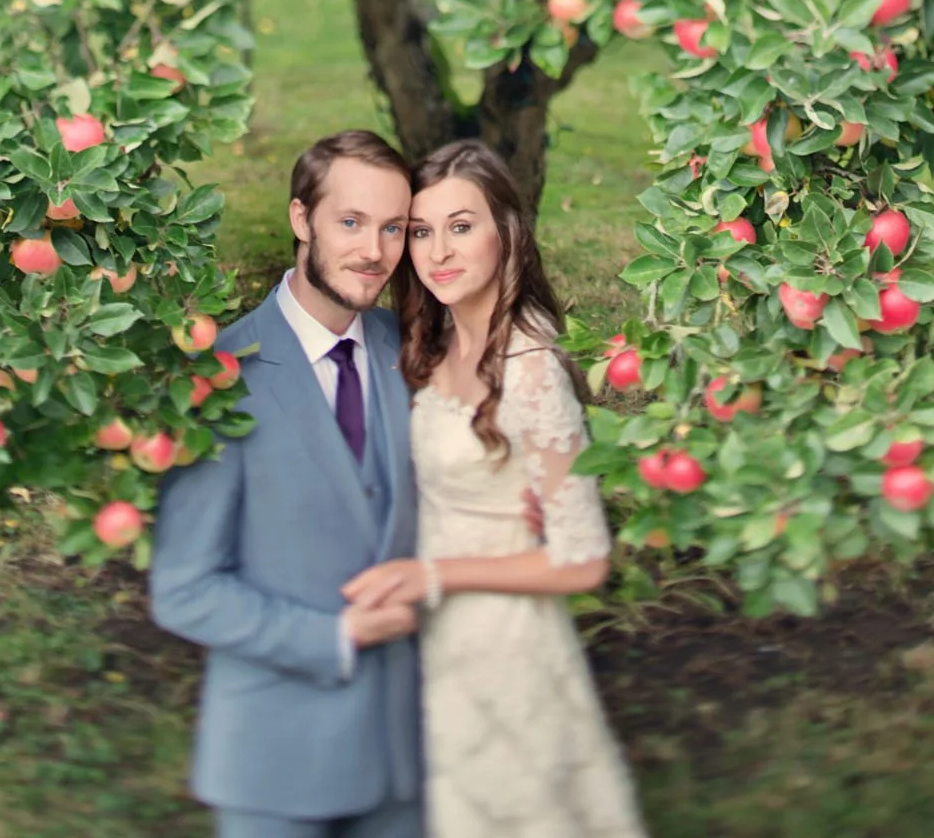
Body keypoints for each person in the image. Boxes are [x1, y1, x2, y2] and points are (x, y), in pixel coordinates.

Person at [344, 137, 649, 838]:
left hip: (501, 639)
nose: (437, 253)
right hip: (427, 631)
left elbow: (583, 560)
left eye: (461, 226)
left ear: (505, 234)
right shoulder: (432, 339)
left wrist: (431, 574)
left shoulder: (530, 368)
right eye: (420, 232)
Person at [149, 129, 423, 838]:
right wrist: (335, 635)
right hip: (275, 767)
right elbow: (185, 589)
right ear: (301, 219)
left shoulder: (414, 350)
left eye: (392, 228)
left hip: (407, 762)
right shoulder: (217, 377)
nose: (373, 251)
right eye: (351, 222)